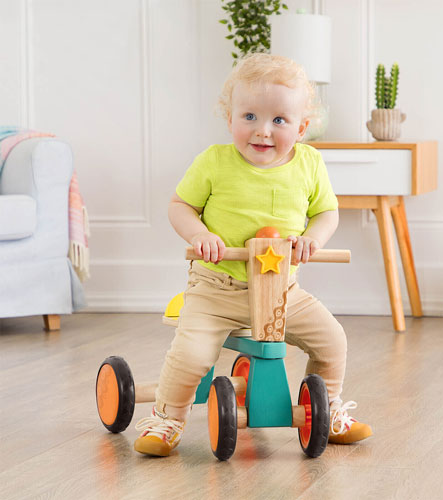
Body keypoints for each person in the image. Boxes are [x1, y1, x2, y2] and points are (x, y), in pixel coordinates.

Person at [134, 53, 372, 457]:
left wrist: (313, 237)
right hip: (217, 287)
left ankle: (326, 411)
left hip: (282, 292)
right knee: (191, 355)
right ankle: (168, 418)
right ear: (230, 119)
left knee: (333, 341)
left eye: (279, 120)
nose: (262, 131)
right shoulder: (214, 161)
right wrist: (202, 234)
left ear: (302, 127)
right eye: (249, 117)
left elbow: (326, 212)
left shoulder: (310, 163)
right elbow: (180, 206)